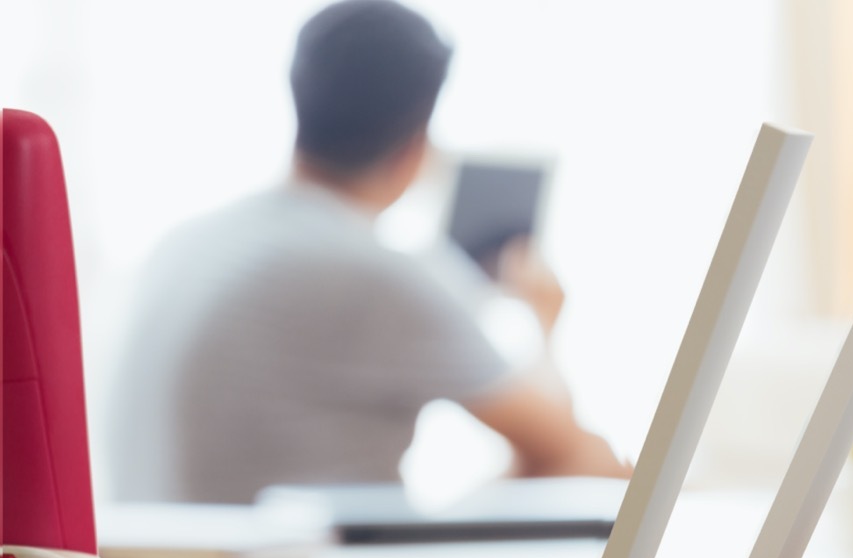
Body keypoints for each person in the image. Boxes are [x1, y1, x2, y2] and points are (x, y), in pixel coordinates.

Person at [106, 0, 629, 504]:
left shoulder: (187, 242)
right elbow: (581, 457)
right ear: (418, 142)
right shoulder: (370, 271)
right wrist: (544, 322)